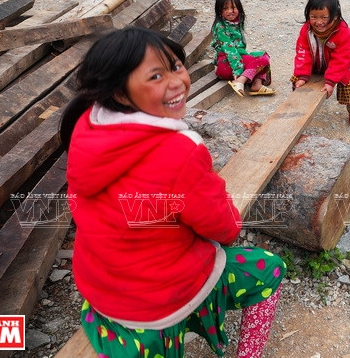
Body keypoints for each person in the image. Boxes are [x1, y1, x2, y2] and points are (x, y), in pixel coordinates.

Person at [60, 26, 285, 358]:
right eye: (155, 77)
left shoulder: (87, 126)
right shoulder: (180, 151)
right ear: (121, 94)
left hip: (101, 288)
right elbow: (223, 228)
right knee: (269, 269)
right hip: (157, 302)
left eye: (175, 66)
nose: (177, 81)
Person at [291, 0, 350, 127]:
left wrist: (330, 81)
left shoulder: (343, 32)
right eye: (313, 17)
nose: (318, 22)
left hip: (342, 65)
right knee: (296, 81)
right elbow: (302, 52)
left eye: (324, 17)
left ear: (335, 16)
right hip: (316, 64)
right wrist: (302, 75)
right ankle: (299, 109)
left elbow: (341, 59)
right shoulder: (306, 30)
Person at [211, 0, 275, 97]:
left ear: (239, 8)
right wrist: (237, 70)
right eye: (225, 8)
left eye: (233, 7)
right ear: (219, 11)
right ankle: (240, 81)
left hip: (237, 59)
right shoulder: (220, 26)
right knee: (261, 61)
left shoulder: (237, 23)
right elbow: (230, 50)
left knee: (264, 55)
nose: (230, 11)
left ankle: (256, 85)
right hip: (227, 64)